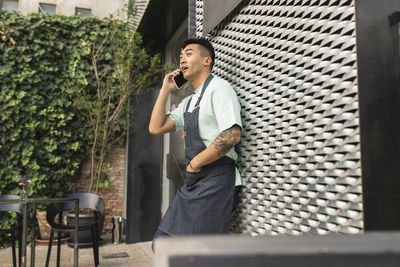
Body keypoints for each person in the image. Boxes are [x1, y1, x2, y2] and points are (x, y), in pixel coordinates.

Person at [149, 38, 242, 250]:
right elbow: (156, 127)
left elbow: (231, 135)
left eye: (189, 53)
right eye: (181, 56)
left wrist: (194, 164)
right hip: (194, 182)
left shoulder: (219, 88)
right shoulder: (189, 101)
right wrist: (166, 90)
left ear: (206, 60)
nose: (182, 58)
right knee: (162, 244)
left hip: (217, 181)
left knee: (194, 253)